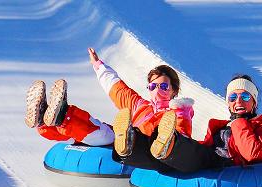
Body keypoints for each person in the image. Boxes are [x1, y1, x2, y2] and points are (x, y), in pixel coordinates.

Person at [113, 74, 262, 173]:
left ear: (254, 102)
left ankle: (170, 145)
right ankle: (132, 144)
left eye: (245, 97)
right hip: (210, 157)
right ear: (228, 102)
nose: (238, 101)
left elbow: (252, 153)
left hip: (224, 165)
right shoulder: (224, 126)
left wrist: (239, 121)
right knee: (165, 160)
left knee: (192, 155)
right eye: (233, 97)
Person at [24, 48, 194, 147]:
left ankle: (60, 117)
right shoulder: (140, 105)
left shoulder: (178, 112)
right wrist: (99, 66)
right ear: (148, 89)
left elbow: (181, 139)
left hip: (137, 148)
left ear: (174, 90)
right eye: (153, 86)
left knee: (103, 135)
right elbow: (118, 89)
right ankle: (46, 120)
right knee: (96, 126)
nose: (158, 90)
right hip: (124, 136)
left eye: (164, 86)